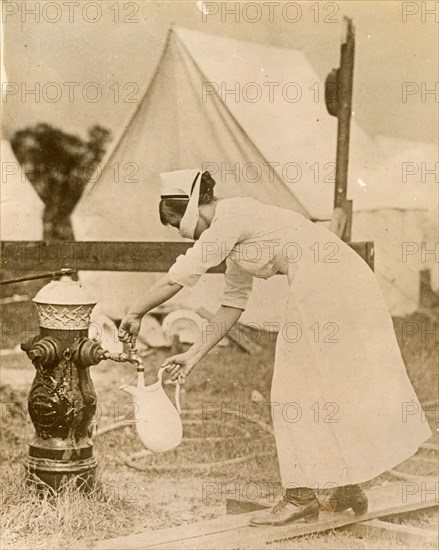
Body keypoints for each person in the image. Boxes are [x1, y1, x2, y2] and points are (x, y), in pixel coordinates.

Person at [119, 168, 431, 526]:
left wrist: (135, 311)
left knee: (293, 387)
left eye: (176, 224)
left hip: (328, 277)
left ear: (190, 209)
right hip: (338, 276)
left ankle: (300, 496)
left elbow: (181, 275)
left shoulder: (230, 218)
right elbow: (233, 304)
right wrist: (193, 354)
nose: (179, 233)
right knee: (325, 384)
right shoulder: (234, 235)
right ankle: (343, 485)